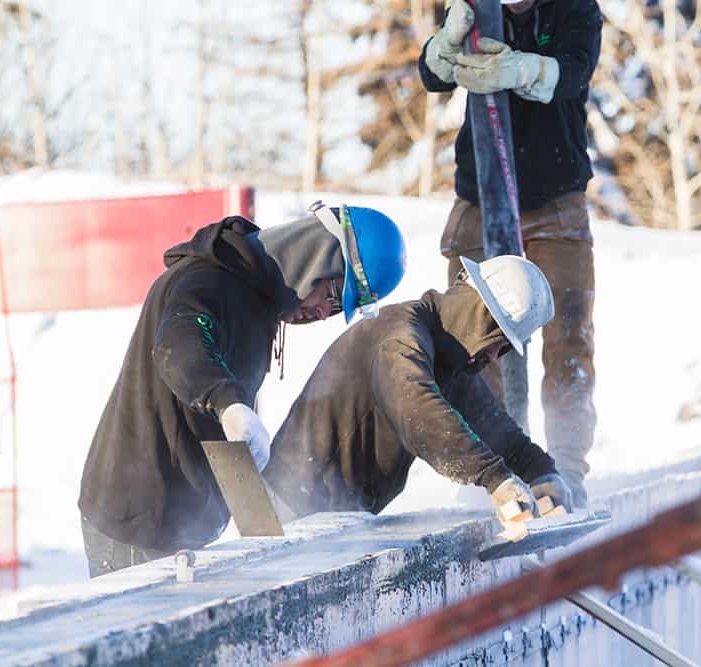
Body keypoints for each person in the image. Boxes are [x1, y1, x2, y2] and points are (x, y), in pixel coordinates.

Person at [77, 204, 407, 577]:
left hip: (182, 516)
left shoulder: (256, 299)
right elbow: (181, 345)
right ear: (317, 257)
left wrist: (260, 523)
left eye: (335, 310)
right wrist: (228, 404)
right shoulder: (208, 282)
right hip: (138, 514)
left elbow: (220, 425)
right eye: (332, 295)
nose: (321, 314)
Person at [419, 0, 603, 506]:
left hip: (554, 199)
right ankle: (491, 478)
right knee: (472, 342)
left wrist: (522, 68)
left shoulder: (573, 9)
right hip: (480, 196)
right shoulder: (473, 11)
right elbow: (432, 76)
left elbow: (575, 69)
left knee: (568, 336)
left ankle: (565, 473)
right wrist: (444, 47)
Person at [263, 255, 574, 525]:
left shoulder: (450, 358)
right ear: (475, 311)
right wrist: (495, 478)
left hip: (337, 515)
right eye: (496, 338)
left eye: (504, 348)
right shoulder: (399, 336)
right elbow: (418, 411)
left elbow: (493, 426)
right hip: (291, 504)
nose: (494, 356)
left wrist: (541, 472)